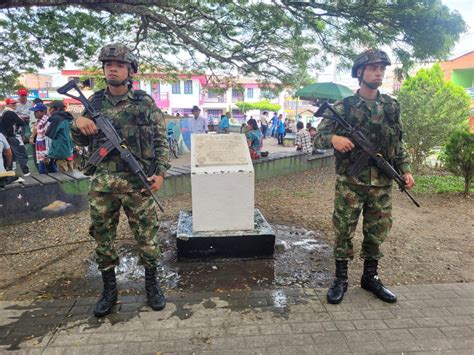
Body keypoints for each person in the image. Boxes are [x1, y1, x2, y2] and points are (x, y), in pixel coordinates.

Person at [70, 43, 170, 317]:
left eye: (119, 64)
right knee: (103, 238)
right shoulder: (94, 104)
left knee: (147, 237)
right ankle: (109, 290)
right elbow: (79, 140)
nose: (112, 68)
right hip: (103, 185)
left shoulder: (144, 102)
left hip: (139, 184)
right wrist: (76, 123)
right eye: (108, 64)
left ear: (130, 70)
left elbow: (161, 141)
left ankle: (152, 286)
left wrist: (160, 173)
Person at [314, 49, 415, 305]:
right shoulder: (343, 106)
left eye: (382, 68)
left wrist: (405, 170)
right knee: (344, 229)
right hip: (351, 183)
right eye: (372, 68)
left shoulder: (391, 106)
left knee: (377, 231)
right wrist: (333, 139)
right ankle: (341, 279)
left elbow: (398, 144)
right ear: (359, 73)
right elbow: (318, 136)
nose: (378, 72)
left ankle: (370, 277)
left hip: (381, 183)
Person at [0, 98, 30, 176]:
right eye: (12, 103)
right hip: (13, 137)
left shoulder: (3, 113)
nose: (14, 105)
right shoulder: (10, 112)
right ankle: (26, 172)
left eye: (15, 103)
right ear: (7, 104)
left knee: (11, 155)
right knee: (22, 154)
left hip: (6, 137)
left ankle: (11, 171)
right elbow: (22, 122)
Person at [45, 101, 75, 172]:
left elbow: (49, 134)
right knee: (71, 173)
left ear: (57, 109)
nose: (49, 111)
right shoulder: (69, 118)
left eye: (51, 109)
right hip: (69, 149)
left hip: (60, 151)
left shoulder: (57, 119)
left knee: (63, 176)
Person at [29, 103, 57, 174]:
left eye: (36, 112)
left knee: (45, 171)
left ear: (43, 112)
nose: (34, 114)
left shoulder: (47, 122)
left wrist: (46, 154)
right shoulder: (40, 121)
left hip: (45, 152)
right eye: (34, 112)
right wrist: (32, 136)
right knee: (51, 170)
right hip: (41, 151)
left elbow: (48, 139)